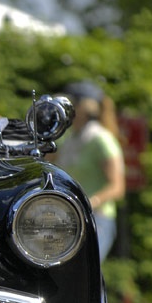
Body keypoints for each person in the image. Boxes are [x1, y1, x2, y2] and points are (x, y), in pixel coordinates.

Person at [49, 81, 126, 262]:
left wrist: (89, 203)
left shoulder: (101, 140)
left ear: (84, 107)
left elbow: (117, 186)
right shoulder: (70, 138)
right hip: (68, 220)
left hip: (96, 220)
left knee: (83, 276)